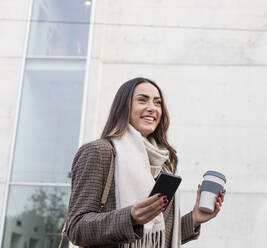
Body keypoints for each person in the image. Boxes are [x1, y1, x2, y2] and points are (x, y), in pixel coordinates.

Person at [66, 77, 226, 248]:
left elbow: (159, 237)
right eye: (142, 100)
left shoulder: (163, 163)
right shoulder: (100, 152)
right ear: (123, 107)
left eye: (157, 103)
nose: (152, 108)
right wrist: (130, 217)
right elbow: (76, 228)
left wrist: (195, 218)